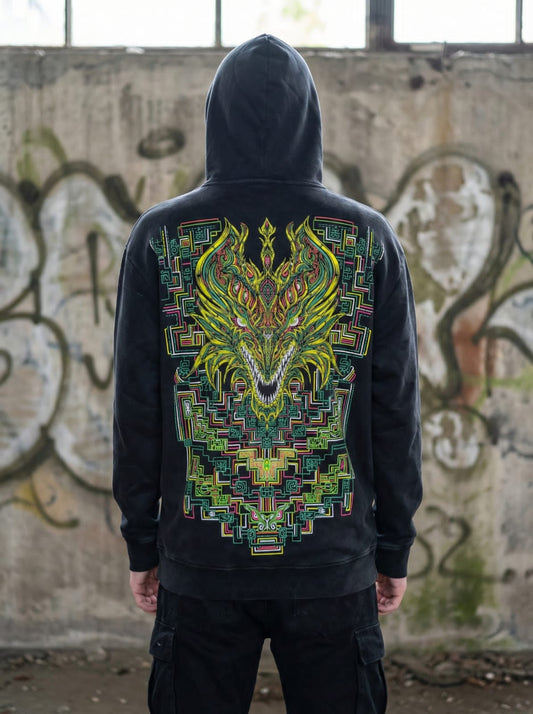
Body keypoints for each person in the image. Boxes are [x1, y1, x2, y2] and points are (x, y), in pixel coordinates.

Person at [113, 34, 422, 714]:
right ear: (310, 119)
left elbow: (136, 406)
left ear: (215, 117)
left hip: (202, 556)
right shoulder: (366, 237)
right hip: (331, 557)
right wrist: (393, 545)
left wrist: (142, 540)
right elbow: (395, 406)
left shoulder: (161, 237)